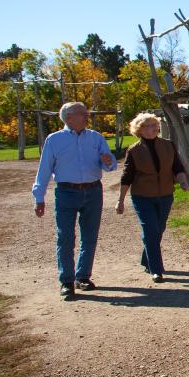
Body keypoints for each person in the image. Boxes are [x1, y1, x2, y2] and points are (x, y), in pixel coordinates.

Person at [32, 102, 117, 299]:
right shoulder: (54, 140)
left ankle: (83, 277)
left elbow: (110, 164)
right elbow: (44, 169)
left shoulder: (95, 137)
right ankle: (67, 282)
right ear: (68, 118)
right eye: (82, 114)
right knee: (65, 237)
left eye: (87, 113)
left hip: (93, 191)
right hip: (66, 192)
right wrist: (39, 197)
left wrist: (108, 161)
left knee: (90, 236)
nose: (87, 117)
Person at [116, 113, 189, 283]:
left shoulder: (168, 145)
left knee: (159, 229)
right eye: (149, 126)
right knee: (150, 229)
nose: (154, 128)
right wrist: (120, 200)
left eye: (155, 125)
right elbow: (127, 176)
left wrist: (183, 181)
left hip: (165, 195)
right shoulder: (134, 150)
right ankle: (156, 269)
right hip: (143, 196)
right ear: (140, 130)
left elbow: (177, 166)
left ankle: (146, 258)